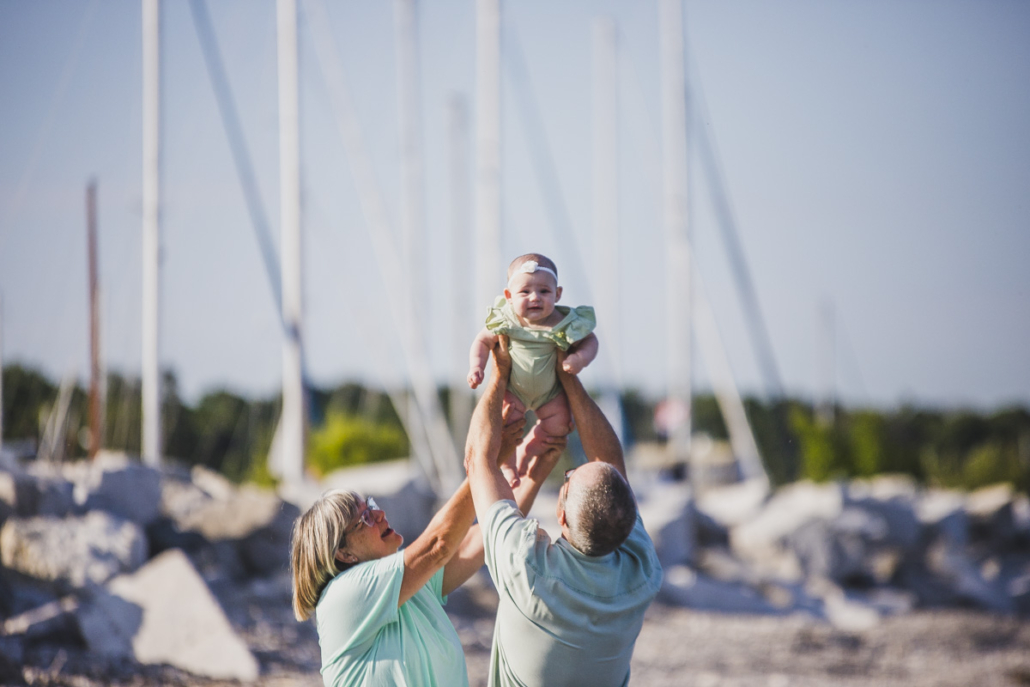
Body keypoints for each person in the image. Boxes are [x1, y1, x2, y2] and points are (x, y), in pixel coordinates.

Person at [290, 416, 566, 687]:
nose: (380, 514)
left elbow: (475, 542)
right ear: (344, 554)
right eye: (365, 519)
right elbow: (438, 544)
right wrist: (485, 461)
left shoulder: (407, 589)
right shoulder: (343, 595)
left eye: (371, 506)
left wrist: (537, 471)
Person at [464, 336, 663, 687]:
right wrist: (567, 377)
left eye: (568, 479)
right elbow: (611, 463)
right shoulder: (641, 571)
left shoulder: (528, 567)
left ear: (562, 513)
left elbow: (478, 460)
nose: (569, 473)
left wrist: (499, 374)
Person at [467, 253, 599, 487]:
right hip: (514, 391)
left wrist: (580, 358)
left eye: (544, 291)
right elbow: (482, 341)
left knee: (560, 426)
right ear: (508, 297)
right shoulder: (506, 320)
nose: (535, 297)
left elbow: (591, 341)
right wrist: (477, 366)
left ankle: (530, 448)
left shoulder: (564, 322)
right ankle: (508, 466)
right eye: (525, 292)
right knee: (503, 424)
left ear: (557, 294)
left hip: (550, 394)